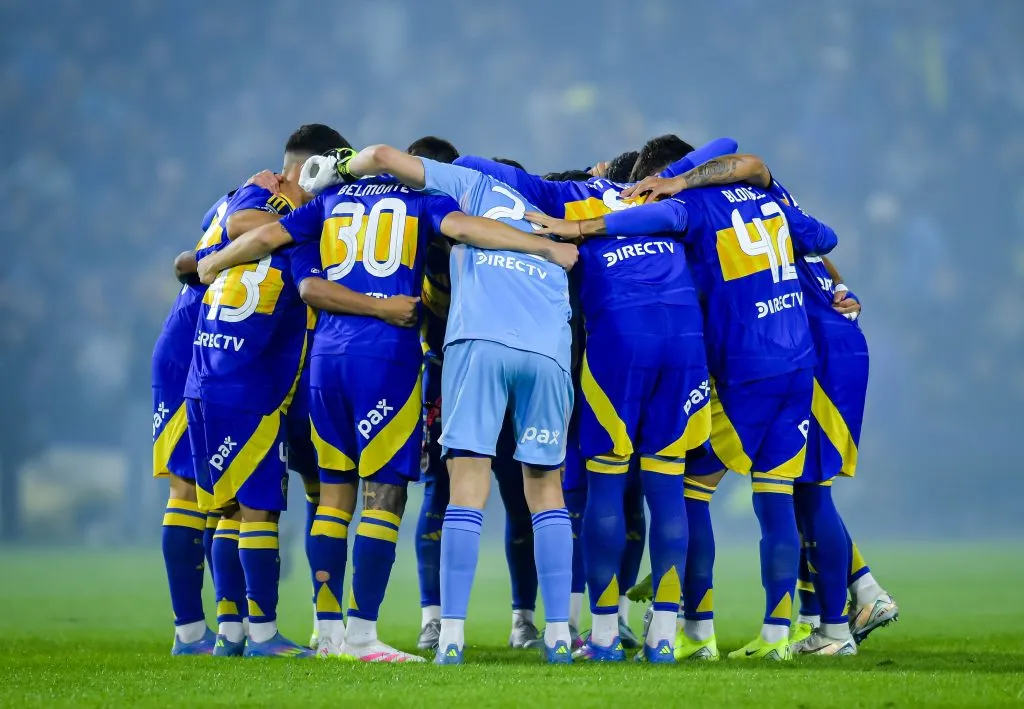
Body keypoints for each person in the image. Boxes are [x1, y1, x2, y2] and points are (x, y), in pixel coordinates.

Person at [198, 144, 576, 663]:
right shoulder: (421, 199)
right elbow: (467, 230)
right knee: (384, 497)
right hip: (387, 357)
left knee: (333, 497)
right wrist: (543, 247)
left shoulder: (330, 203)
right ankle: (362, 636)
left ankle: (327, 633)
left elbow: (264, 235)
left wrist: (213, 260)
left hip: (327, 360)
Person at [529, 147, 839, 662]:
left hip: (738, 368)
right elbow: (820, 237)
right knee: (777, 494)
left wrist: (583, 227)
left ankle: (685, 632)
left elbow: (657, 215)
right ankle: (771, 637)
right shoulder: (769, 201)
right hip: (796, 359)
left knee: (684, 492)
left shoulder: (692, 209)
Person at [627, 154, 898, 653]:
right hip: (806, 343)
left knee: (805, 490)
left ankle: (835, 621)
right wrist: (837, 285)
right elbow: (813, 246)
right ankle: (843, 603)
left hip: (808, 350)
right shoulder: (768, 200)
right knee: (786, 487)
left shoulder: (713, 208)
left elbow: (747, 162)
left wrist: (675, 181)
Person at [185, 124, 347, 659]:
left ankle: (229, 631)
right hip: (249, 380)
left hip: (207, 368)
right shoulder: (287, 219)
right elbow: (251, 228)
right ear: (305, 173)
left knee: (228, 509)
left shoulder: (253, 226)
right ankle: (263, 635)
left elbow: (200, 256)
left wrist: (205, 261)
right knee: (258, 510)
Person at [409, 139, 544, 653]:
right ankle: (434, 617)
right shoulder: (434, 230)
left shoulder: (515, 237)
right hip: (446, 376)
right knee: (442, 494)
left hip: (508, 376)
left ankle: (522, 619)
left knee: (520, 492)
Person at [152, 190, 233, 656]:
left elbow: (192, 255)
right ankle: (190, 632)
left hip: (211, 344)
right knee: (187, 489)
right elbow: (190, 261)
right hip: (195, 348)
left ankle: (227, 628)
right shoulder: (265, 207)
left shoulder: (233, 199)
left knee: (219, 490)